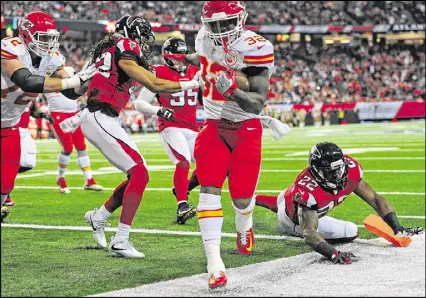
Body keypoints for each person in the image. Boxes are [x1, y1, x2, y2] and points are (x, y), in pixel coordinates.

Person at [164, 1, 279, 288]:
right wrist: (185, 57)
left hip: (246, 129)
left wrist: (233, 90)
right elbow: (204, 58)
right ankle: (215, 264)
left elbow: (257, 104)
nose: (220, 31)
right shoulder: (203, 38)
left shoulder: (257, 47)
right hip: (213, 126)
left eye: (226, 23)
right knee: (209, 191)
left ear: (241, 19)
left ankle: (244, 225)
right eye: (213, 24)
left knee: (241, 198)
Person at [72, 15, 200, 258]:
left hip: (102, 115)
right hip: (100, 115)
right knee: (140, 173)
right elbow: (156, 85)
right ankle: (121, 240)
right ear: (130, 33)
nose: (144, 41)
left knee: (137, 174)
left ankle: (99, 216)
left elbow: (76, 90)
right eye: (142, 35)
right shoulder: (125, 45)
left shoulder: (108, 51)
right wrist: (190, 84)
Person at [255, 142, 423, 264]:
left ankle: (256, 199)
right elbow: (310, 234)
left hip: (289, 197)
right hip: (292, 219)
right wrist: (333, 254)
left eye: (339, 169)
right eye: (331, 172)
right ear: (317, 171)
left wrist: (397, 228)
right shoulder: (308, 191)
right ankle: (264, 205)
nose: (338, 176)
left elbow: (376, 199)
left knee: (286, 200)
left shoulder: (349, 170)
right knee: (350, 231)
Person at [1, 11, 96, 221]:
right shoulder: (10, 47)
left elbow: (71, 92)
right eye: (43, 37)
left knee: (7, 183)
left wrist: (88, 80)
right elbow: (27, 80)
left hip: (9, 124)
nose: (48, 43)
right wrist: (72, 80)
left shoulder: (52, 58)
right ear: (26, 35)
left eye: (51, 38)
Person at [136, 37, 201, 224]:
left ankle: (184, 187)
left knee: (210, 163)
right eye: (175, 58)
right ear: (166, 58)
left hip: (192, 127)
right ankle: (182, 206)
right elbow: (139, 102)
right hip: (170, 126)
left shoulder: (196, 72)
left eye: (182, 57)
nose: (180, 62)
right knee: (183, 162)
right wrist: (159, 110)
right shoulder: (159, 72)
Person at [39, 55, 103, 194]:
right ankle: (61, 178)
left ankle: (89, 180)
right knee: (67, 147)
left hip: (73, 113)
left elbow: (79, 79)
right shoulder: (43, 77)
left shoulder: (67, 70)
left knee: (81, 146)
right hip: (57, 114)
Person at [3, 101, 53, 207]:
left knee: (28, 163)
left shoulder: (30, 92)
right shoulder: (9, 91)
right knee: (9, 165)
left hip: (24, 132)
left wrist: (43, 114)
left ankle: (5, 181)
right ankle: (6, 194)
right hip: (10, 129)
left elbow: (33, 111)